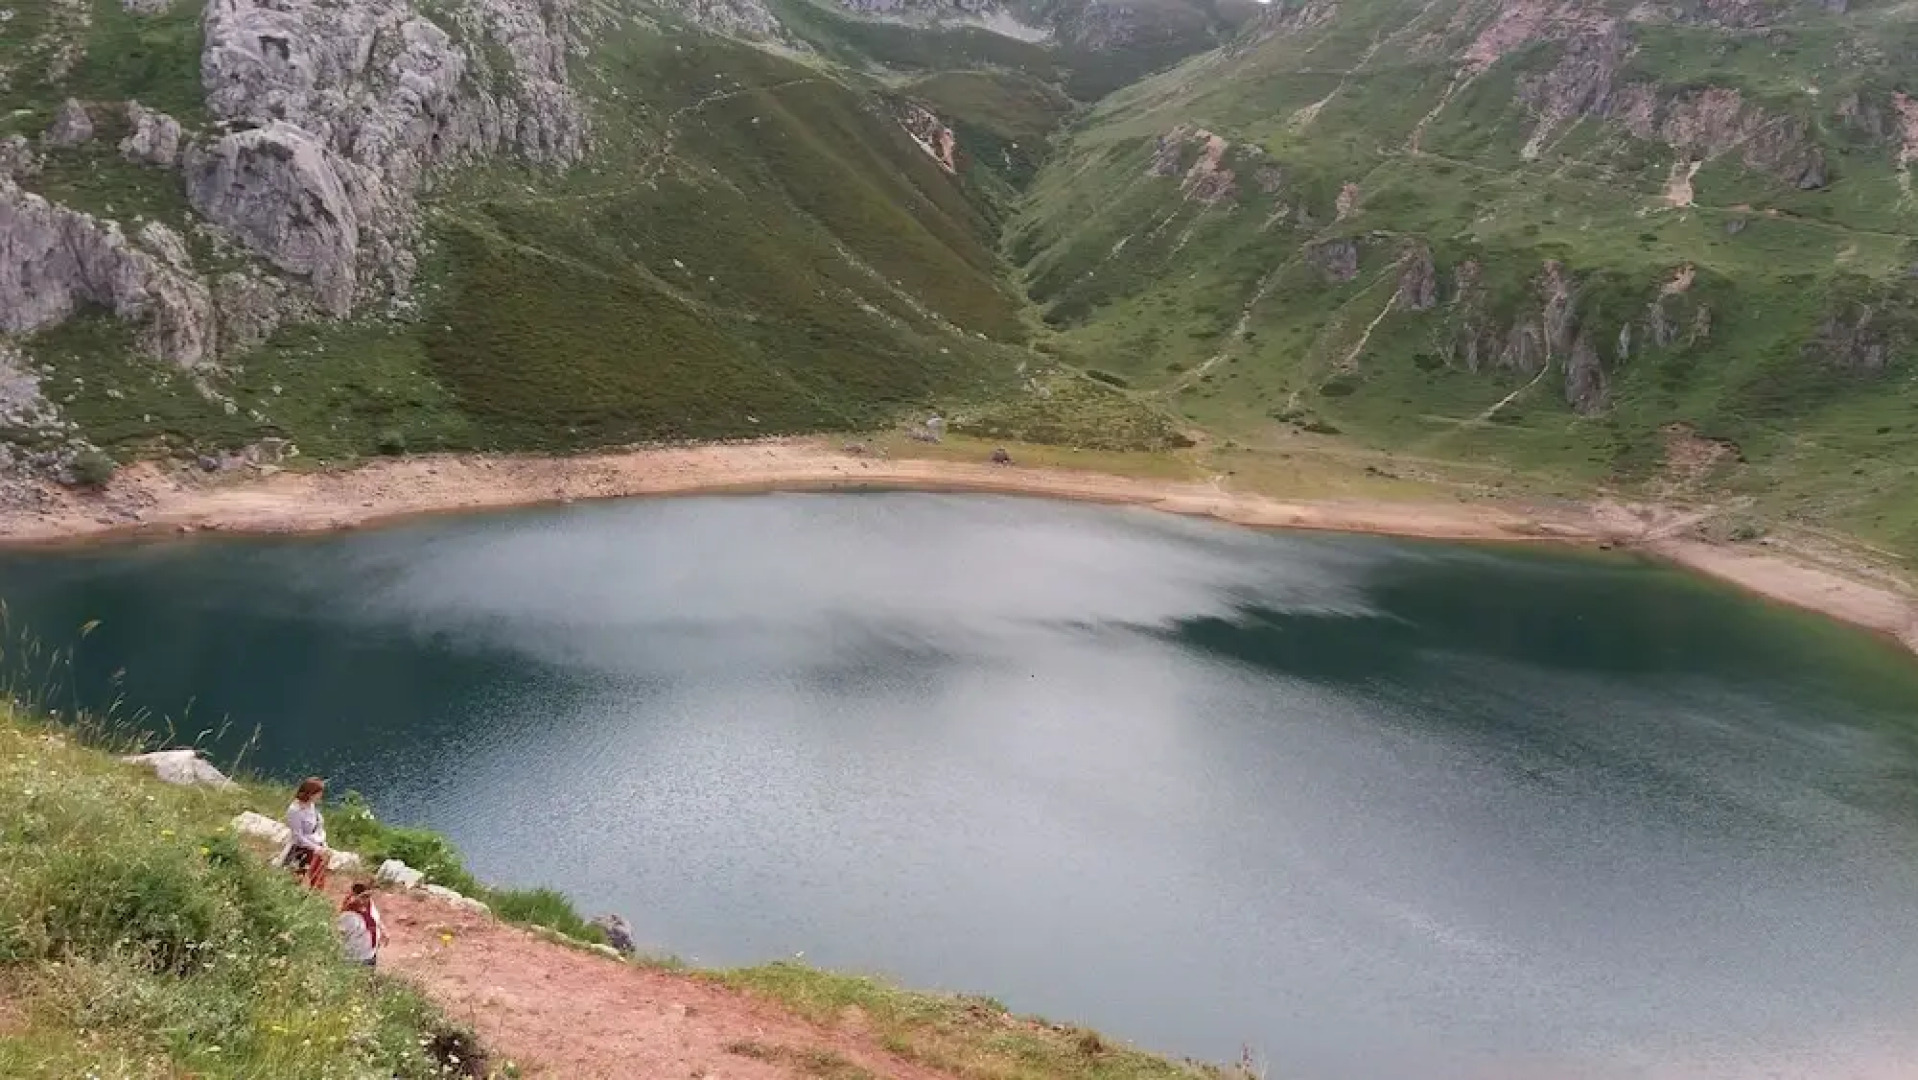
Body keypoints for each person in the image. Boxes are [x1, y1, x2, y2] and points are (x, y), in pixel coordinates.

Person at [282, 777, 330, 889]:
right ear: (310, 793)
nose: (321, 796)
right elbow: (298, 836)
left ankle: (315, 895)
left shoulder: (311, 805)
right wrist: (315, 848)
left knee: (319, 874)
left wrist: (322, 842)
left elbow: (318, 826)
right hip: (301, 847)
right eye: (319, 793)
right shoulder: (295, 810)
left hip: (316, 844)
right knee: (296, 877)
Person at [338, 883, 387, 968]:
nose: (366, 900)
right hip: (355, 959)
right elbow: (338, 936)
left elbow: (376, 918)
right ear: (354, 896)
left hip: (371, 953)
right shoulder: (347, 915)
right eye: (363, 897)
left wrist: (383, 930)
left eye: (368, 896)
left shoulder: (369, 904)